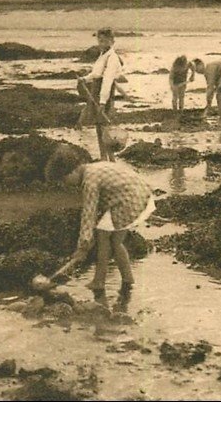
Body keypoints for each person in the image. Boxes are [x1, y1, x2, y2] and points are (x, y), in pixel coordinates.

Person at [45, 146, 155, 297]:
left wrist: (83, 245)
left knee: (103, 236)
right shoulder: (92, 168)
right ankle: (128, 279)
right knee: (115, 242)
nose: (64, 185)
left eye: (64, 180)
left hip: (131, 201)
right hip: (141, 194)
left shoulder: (89, 182)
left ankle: (99, 281)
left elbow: (88, 214)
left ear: (73, 171)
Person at [79, 27, 123, 161]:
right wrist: (85, 79)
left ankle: (111, 157)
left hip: (104, 92)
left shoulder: (112, 58)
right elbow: (96, 73)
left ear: (111, 41)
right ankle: (103, 156)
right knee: (98, 125)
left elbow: (108, 80)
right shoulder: (103, 55)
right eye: (99, 40)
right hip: (96, 89)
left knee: (104, 125)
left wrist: (103, 101)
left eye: (104, 41)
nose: (101, 43)